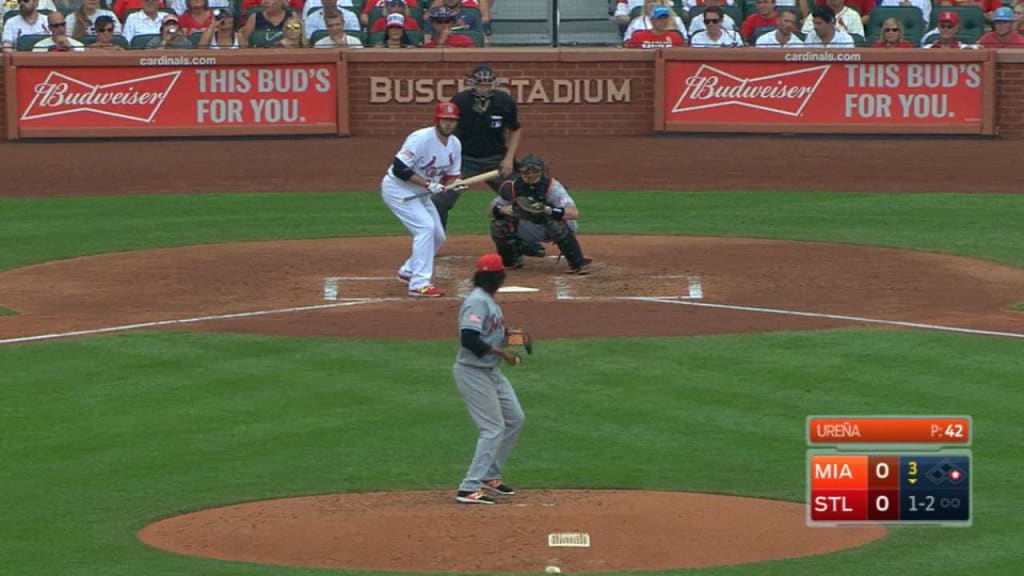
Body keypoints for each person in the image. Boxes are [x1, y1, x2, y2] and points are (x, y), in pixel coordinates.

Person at [453, 252, 525, 505]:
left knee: (515, 418)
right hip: (472, 371)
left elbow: (488, 332)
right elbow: (469, 339)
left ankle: (489, 474)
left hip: (490, 371)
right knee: (493, 428)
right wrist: (502, 352)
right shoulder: (477, 302)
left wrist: (510, 336)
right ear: (498, 277)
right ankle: (469, 487)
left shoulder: (490, 302)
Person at [381, 101, 465, 298]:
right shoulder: (420, 138)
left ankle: (407, 271)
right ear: (437, 120)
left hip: (422, 192)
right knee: (425, 228)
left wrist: (456, 183)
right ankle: (419, 284)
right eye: (445, 120)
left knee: (438, 236)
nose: (449, 124)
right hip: (399, 190)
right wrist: (428, 184)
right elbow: (399, 169)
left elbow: (450, 175)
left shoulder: (455, 144)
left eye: (452, 121)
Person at [432, 63, 522, 230]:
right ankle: (434, 242)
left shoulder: (505, 101)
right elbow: (449, 131)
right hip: (465, 160)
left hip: (496, 159)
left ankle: (519, 240)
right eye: (480, 84)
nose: (484, 88)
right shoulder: (460, 101)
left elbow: (515, 130)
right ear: (472, 83)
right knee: (440, 200)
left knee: (520, 197)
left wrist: (509, 159)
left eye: (487, 84)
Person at [489, 154, 592, 274]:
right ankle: (514, 259)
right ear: (520, 173)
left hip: (551, 227)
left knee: (555, 225)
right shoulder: (513, 187)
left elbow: (573, 213)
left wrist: (547, 210)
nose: (531, 175)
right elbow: (491, 211)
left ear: (542, 172)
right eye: (527, 171)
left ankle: (577, 263)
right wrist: (503, 210)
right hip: (527, 227)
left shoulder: (552, 187)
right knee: (498, 226)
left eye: (535, 171)